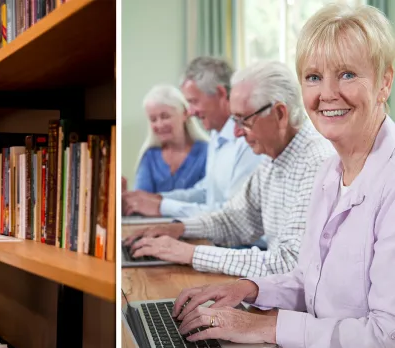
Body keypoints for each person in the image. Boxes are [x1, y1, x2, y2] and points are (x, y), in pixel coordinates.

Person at [174, 5, 395, 348]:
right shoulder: (332, 168)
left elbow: (387, 337)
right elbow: (309, 280)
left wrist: (265, 326)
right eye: (314, 77)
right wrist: (248, 290)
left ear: (384, 82)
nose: (327, 93)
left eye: (347, 74)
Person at [127, 61, 335, 278]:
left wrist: (191, 253)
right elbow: (235, 220)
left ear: (280, 114)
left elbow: (291, 263)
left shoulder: (316, 163)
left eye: (244, 120)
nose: (236, 133)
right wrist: (179, 228)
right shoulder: (273, 158)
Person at [124, 57, 266, 218]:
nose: (190, 112)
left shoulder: (247, 142)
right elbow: (206, 192)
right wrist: (156, 199)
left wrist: (163, 206)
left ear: (220, 93)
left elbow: (234, 216)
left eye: (193, 102)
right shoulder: (215, 136)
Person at [132, 84, 209, 194]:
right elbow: (140, 201)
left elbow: (207, 197)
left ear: (184, 114)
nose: (159, 124)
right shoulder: (149, 157)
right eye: (153, 119)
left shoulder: (207, 152)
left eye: (165, 117)